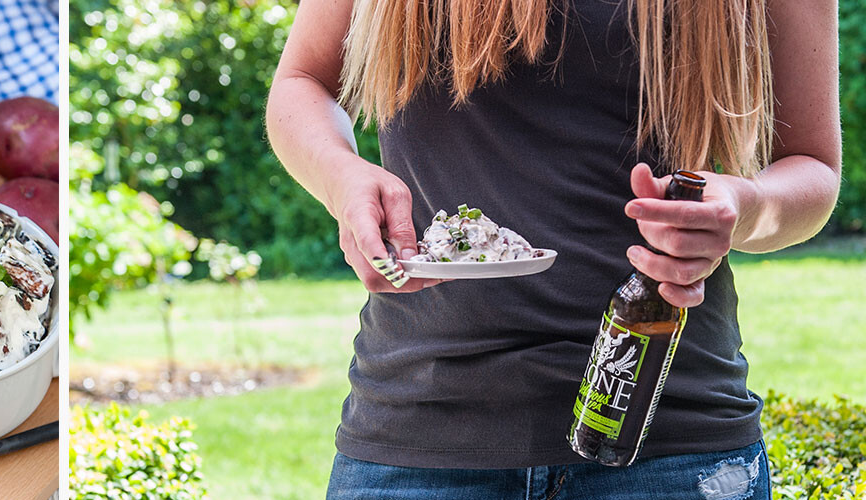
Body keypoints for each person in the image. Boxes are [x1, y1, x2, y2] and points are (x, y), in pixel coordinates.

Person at [265, 0, 840, 498]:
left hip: (669, 440)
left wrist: (743, 206)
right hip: (418, 439)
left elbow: (812, 168)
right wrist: (341, 177)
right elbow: (304, 80)